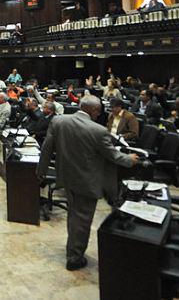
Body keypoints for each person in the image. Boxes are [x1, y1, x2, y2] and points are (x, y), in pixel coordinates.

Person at [37, 96, 139, 270]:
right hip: (86, 182)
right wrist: (130, 159)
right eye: (98, 112)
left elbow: (47, 148)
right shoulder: (99, 130)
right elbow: (113, 156)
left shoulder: (58, 121)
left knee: (74, 216)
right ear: (94, 111)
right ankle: (75, 258)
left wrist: (41, 173)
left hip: (67, 177)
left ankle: (72, 247)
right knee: (82, 220)